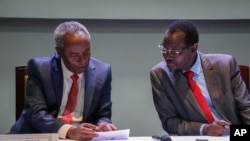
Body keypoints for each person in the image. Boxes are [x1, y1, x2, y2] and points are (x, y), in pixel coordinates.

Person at [10, 21, 117, 140]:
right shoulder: (40, 69)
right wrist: (70, 131)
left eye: (86, 53)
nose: (82, 60)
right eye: (74, 55)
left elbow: (103, 114)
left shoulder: (102, 71)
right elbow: (36, 114)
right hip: (41, 135)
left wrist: (103, 124)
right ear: (59, 51)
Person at [150, 20, 250, 136]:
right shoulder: (160, 75)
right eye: (164, 49)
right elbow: (169, 121)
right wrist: (204, 129)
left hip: (235, 134)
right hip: (199, 137)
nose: (168, 56)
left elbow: (245, 107)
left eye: (174, 51)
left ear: (193, 49)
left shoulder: (225, 65)